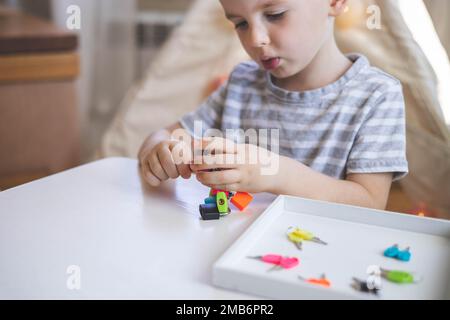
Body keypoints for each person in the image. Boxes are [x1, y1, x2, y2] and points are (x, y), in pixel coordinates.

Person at [138, 0, 408, 210]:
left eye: (275, 14)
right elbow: (166, 134)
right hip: (230, 252)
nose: (255, 39)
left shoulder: (377, 95)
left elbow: (370, 203)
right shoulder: (242, 83)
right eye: (240, 23)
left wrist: (275, 173)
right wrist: (162, 150)